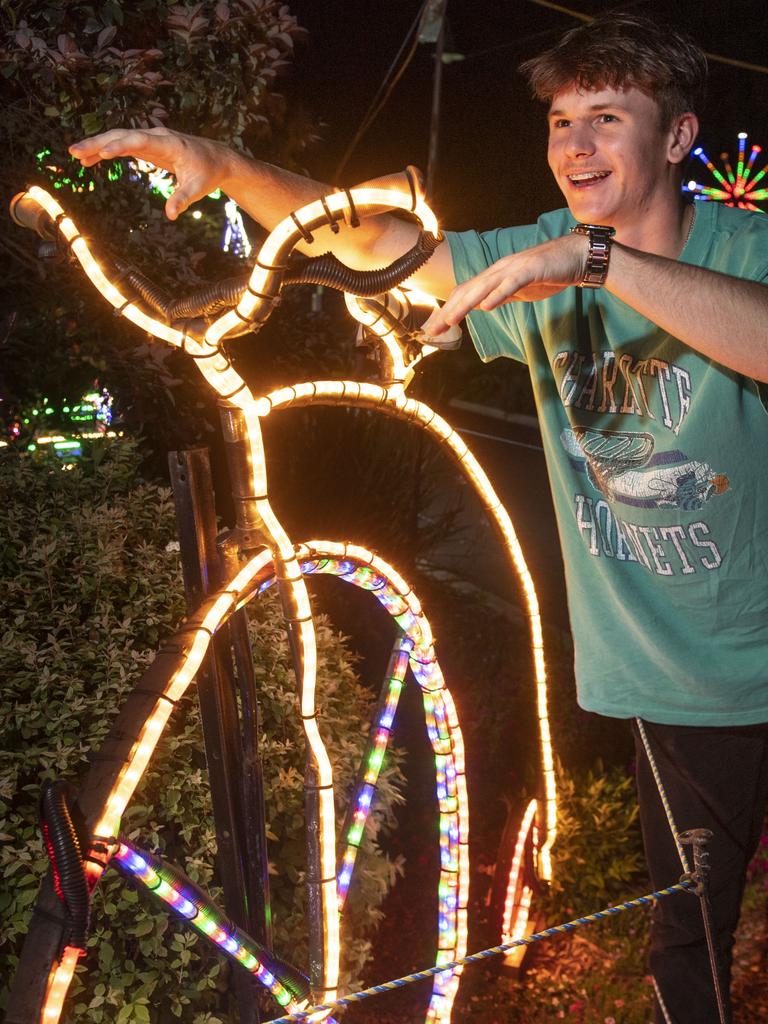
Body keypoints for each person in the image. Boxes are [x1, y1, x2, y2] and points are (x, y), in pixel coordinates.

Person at [69, 12, 768, 1022]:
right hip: (676, 688)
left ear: (676, 138)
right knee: (692, 939)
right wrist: (226, 164)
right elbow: (370, 237)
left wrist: (598, 264)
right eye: (562, 120)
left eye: (607, 118)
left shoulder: (730, 248)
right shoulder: (538, 260)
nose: (574, 145)